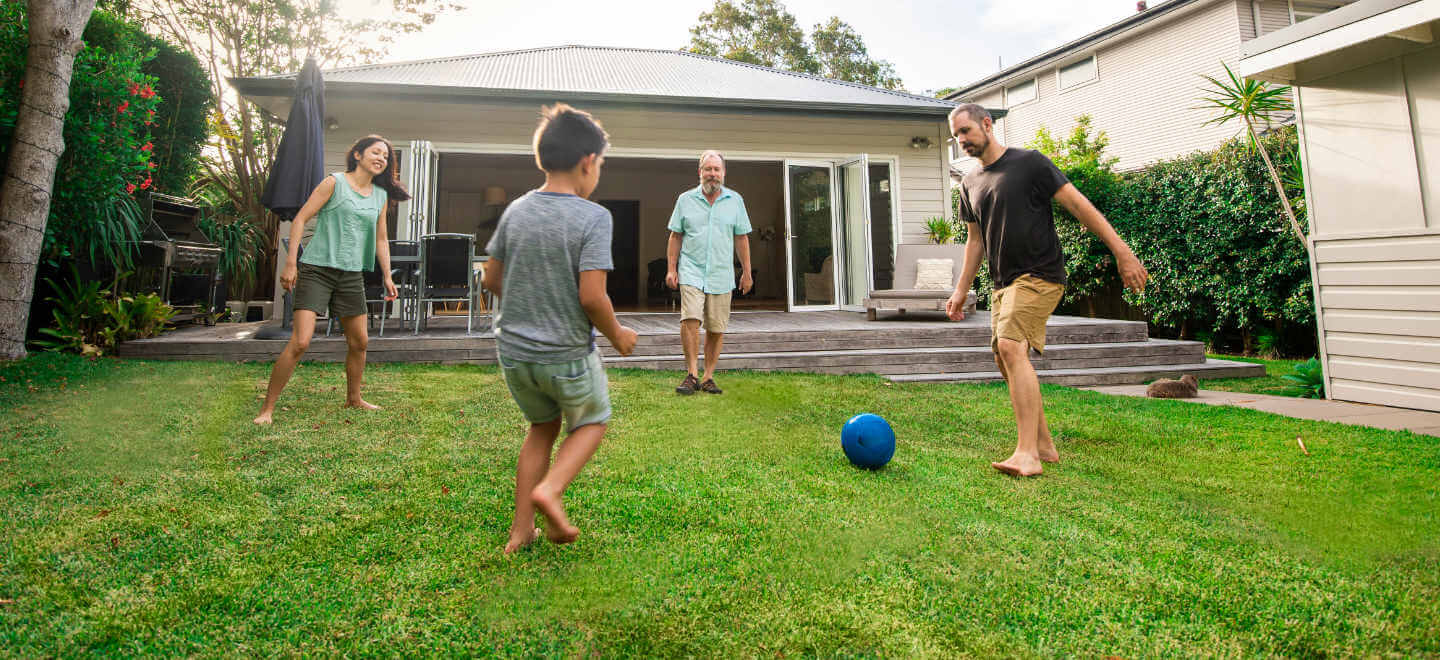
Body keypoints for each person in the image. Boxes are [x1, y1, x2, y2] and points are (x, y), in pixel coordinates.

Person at [945, 104, 1148, 477]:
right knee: (1003, 357)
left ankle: (1027, 455)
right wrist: (961, 290)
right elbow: (975, 241)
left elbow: (1079, 206)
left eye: (967, 131)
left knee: (1010, 346)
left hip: (1040, 274)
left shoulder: (1031, 164)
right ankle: (1043, 444)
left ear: (987, 124)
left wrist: (1122, 251)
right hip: (1003, 282)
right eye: (957, 135)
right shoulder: (969, 182)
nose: (962, 141)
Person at [482, 103, 639, 554]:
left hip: (514, 355)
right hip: (566, 355)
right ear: (588, 163)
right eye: (601, 165)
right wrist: (619, 335)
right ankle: (550, 491)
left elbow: (491, 279)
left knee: (540, 428)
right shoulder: (594, 217)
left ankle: (519, 531)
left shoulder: (514, 210)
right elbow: (592, 297)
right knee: (591, 421)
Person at [253, 135, 406, 425]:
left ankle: (354, 398)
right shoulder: (334, 183)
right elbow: (300, 219)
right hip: (317, 268)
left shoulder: (380, 196)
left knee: (360, 341)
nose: (381, 159)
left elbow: (381, 238)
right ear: (358, 155)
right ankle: (267, 409)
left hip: (350, 273)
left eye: (386, 156)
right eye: (376, 152)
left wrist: (387, 275)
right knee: (300, 341)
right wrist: (290, 263)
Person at [665, 150, 753, 395]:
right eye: (708, 169)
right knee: (690, 319)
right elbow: (675, 235)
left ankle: (708, 377)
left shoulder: (735, 201)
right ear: (700, 172)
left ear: (723, 173)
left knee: (716, 327)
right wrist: (671, 269)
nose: (712, 174)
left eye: (716, 169)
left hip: (721, 273)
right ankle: (692, 374)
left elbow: (741, 237)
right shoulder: (685, 200)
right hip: (691, 269)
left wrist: (746, 272)